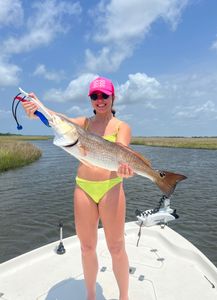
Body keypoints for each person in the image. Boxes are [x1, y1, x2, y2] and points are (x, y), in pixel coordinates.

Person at [22, 77, 133, 300]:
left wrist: (126, 169)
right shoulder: (83, 123)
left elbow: (122, 151)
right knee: (86, 247)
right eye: (95, 96)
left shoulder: (122, 126)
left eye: (104, 96)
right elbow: (59, 121)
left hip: (111, 186)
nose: (100, 100)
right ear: (91, 99)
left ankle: (124, 297)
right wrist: (38, 108)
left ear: (113, 97)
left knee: (117, 247)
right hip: (83, 188)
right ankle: (90, 296)